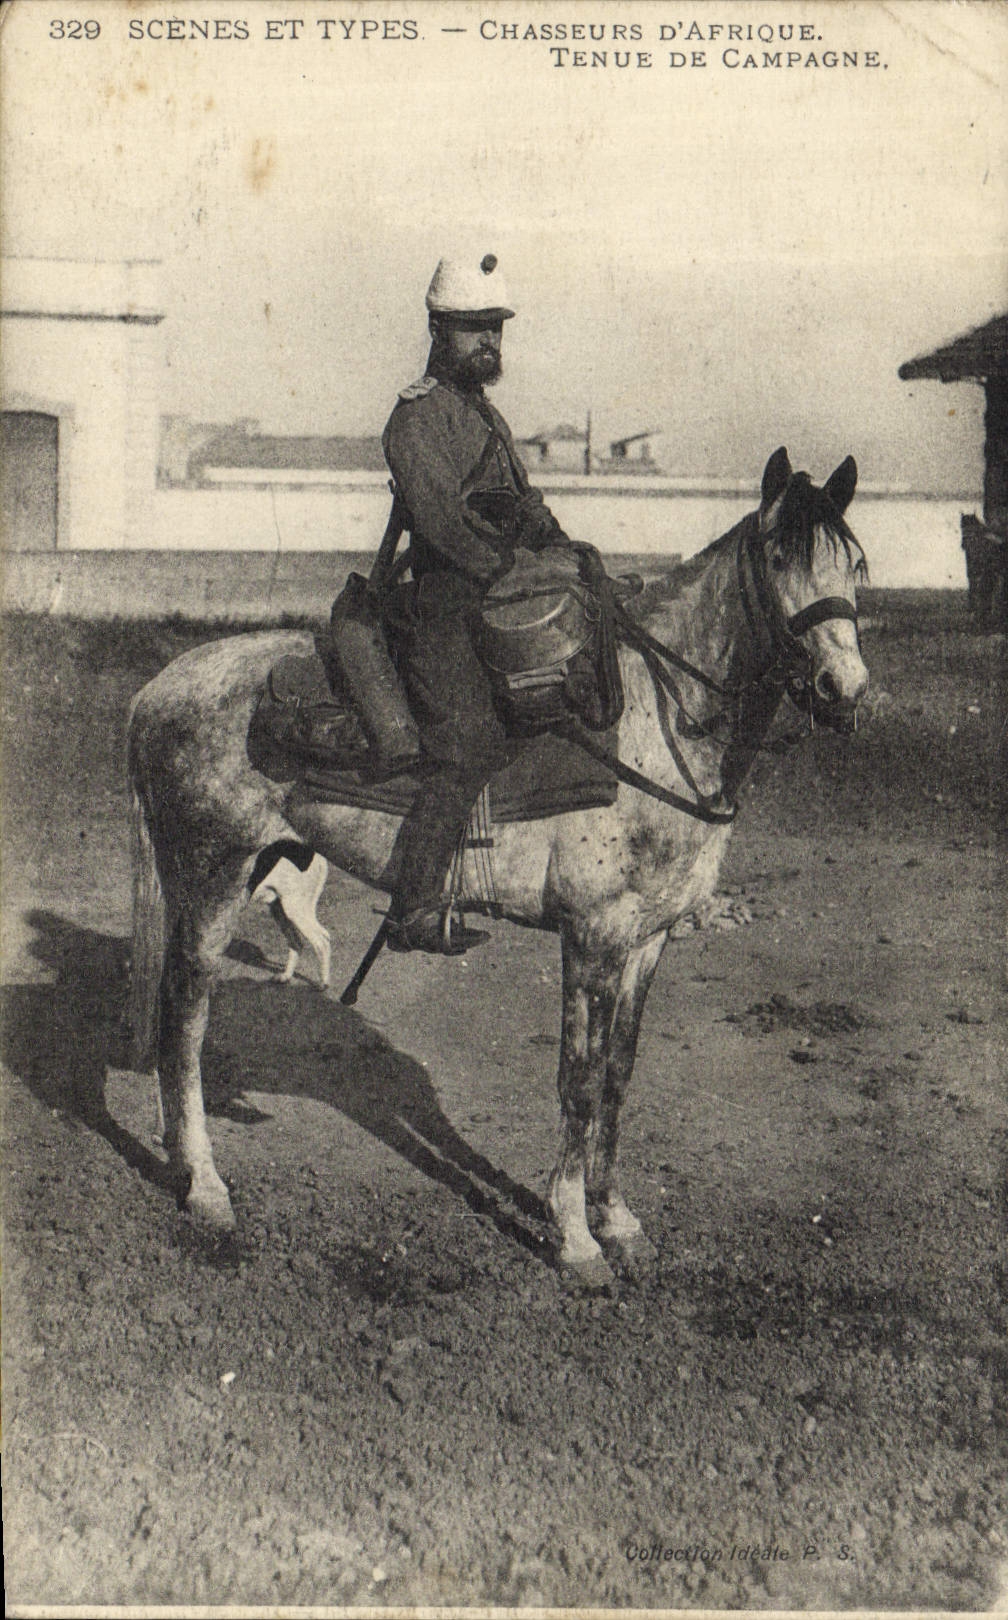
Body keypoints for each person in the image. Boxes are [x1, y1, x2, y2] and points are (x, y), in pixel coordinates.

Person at [380, 252, 588, 954]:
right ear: (437, 330)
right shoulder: (415, 420)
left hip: (497, 599)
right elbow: (441, 524)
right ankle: (412, 907)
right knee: (464, 745)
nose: (489, 342)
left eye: (496, 327)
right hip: (443, 608)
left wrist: (564, 550)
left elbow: (524, 504)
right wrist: (511, 569)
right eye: (475, 327)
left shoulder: (487, 417)